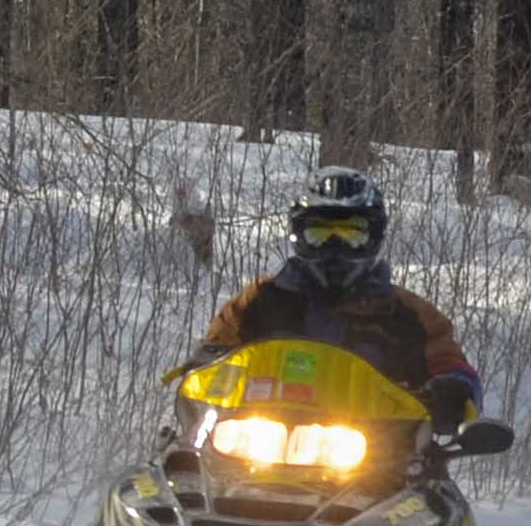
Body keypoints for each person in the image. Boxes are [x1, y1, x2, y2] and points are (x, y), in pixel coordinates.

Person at [197, 166, 513, 455]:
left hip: (378, 461)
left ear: (374, 238)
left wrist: (453, 392)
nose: (335, 247)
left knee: (437, 507)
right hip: (256, 450)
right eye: (319, 234)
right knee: (176, 476)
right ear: (298, 234)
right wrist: (200, 372)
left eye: (351, 234)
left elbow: (452, 365)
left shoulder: (408, 314)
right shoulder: (260, 300)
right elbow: (213, 353)